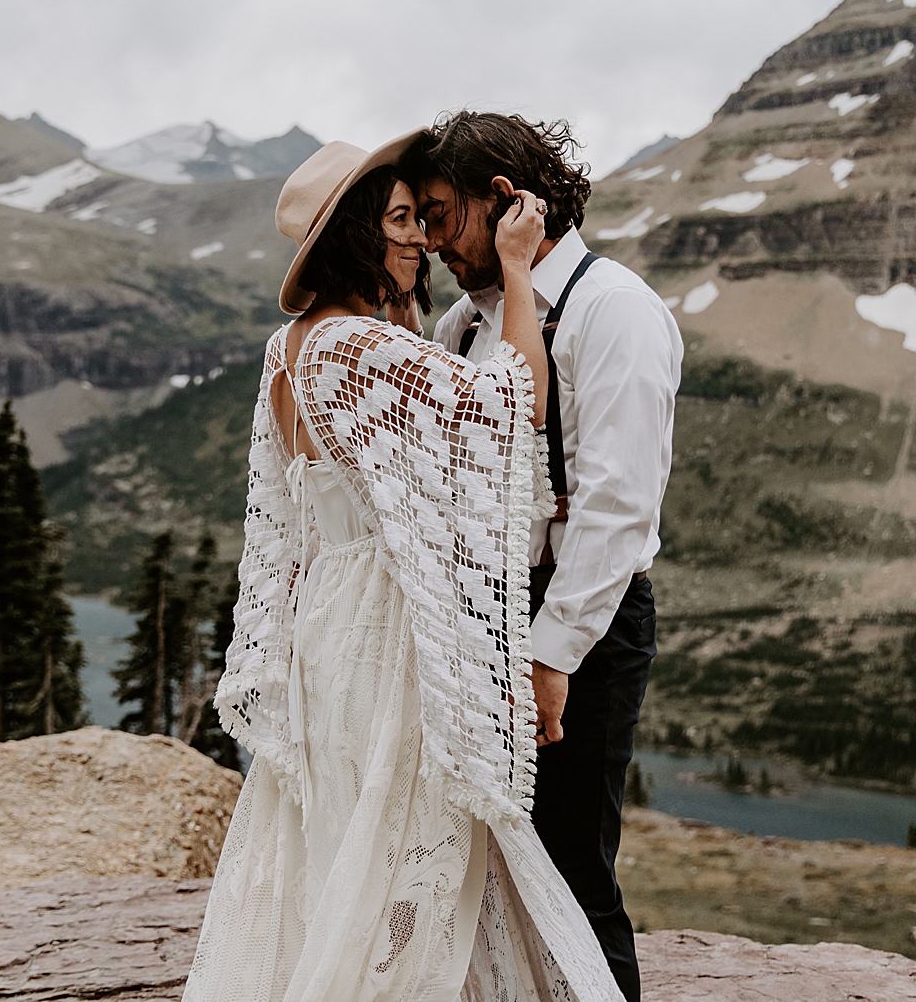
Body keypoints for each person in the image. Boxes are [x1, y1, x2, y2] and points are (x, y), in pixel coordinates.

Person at [184, 132, 624, 1002]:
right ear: (356, 233)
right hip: (387, 630)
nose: (420, 238)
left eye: (422, 218)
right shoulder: (356, 348)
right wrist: (518, 267)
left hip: (327, 626)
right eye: (399, 220)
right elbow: (511, 407)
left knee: (349, 846)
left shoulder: (293, 348)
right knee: (409, 853)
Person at [401, 112, 682, 1002]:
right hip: (486, 619)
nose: (436, 239)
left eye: (443, 215)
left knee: (571, 867)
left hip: (580, 625)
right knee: (484, 861)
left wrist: (553, 654)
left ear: (506, 200)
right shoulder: (461, 324)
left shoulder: (615, 310)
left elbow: (616, 505)